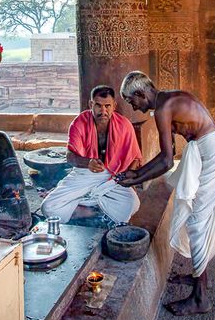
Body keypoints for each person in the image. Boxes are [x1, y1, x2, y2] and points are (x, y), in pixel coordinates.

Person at [116, 71, 215, 316]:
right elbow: (169, 153)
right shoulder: (166, 103)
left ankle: (200, 297)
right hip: (209, 147)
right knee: (196, 217)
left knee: (197, 222)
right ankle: (199, 276)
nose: (133, 107)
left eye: (132, 101)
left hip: (212, 152)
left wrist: (136, 179)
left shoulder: (164, 108)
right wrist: (136, 174)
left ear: (141, 94)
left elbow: (165, 162)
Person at [41, 85, 142, 225]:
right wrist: (87, 162)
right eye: (98, 106)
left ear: (114, 106)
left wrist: (129, 179)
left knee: (133, 204)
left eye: (108, 106)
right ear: (91, 104)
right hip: (85, 173)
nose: (103, 111)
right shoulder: (79, 123)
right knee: (48, 207)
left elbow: (135, 158)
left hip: (113, 176)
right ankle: (91, 211)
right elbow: (70, 156)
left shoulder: (124, 125)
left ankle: (86, 204)